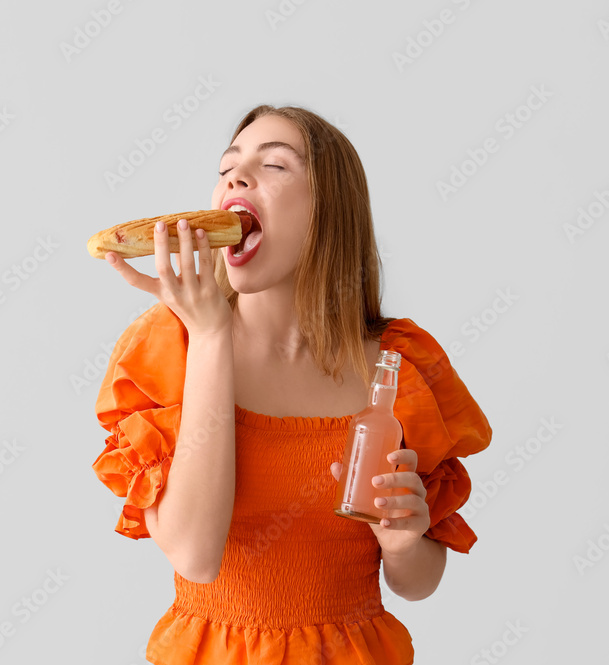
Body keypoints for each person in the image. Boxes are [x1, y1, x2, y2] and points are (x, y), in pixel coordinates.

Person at [92, 104, 492, 664]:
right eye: (228, 167)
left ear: (331, 210)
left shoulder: (399, 367)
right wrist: (208, 337)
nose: (236, 176)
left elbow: (418, 581)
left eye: (275, 165)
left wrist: (403, 540)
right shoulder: (169, 350)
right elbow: (194, 555)